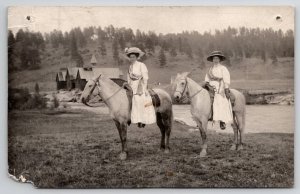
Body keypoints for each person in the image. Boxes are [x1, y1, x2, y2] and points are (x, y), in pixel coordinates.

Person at [125, 47, 156, 128]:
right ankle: (135, 119)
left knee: (142, 100)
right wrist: (128, 84)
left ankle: (143, 120)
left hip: (140, 85)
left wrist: (143, 87)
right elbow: (129, 78)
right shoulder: (130, 67)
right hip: (132, 86)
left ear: (136, 57)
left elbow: (145, 77)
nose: (132, 59)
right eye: (130, 57)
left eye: (133, 57)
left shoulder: (141, 65)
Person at [205, 51, 233, 130]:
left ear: (220, 59)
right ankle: (206, 117)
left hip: (220, 85)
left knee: (219, 99)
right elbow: (206, 79)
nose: (215, 60)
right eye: (214, 58)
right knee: (204, 98)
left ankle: (222, 121)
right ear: (212, 60)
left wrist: (226, 88)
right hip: (210, 86)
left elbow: (226, 79)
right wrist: (207, 84)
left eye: (217, 58)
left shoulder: (223, 68)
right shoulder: (210, 69)